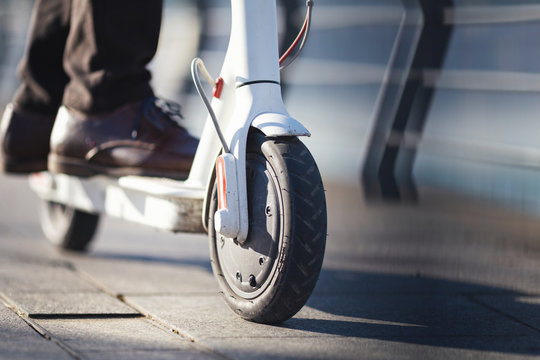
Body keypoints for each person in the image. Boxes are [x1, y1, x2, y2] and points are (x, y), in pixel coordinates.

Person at [0, 0, 198, 180]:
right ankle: (109, 100)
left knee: (51, 92)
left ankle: (43, 105)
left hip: (52, 103)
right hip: (103, 101)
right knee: (106, 91)